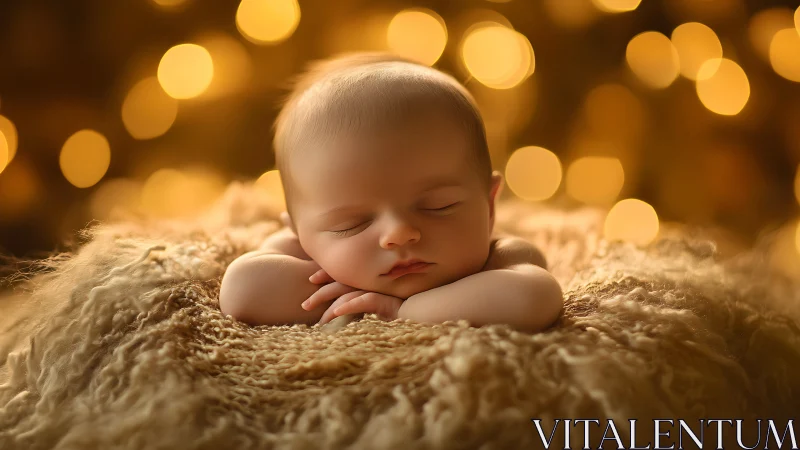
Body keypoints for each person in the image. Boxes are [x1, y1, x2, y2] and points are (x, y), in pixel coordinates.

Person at [219, 52, 563, 332]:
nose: (398, 233)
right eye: (351, 224)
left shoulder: (500, 256)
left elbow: (535, 297)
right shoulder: (304, 254)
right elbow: (242, 291)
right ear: (299, 232)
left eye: (438, 206)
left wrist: (404, 310)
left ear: (489, 206)